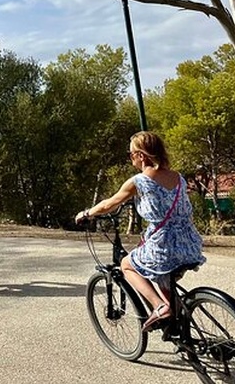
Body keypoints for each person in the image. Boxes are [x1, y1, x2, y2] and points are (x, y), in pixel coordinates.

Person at [75, 131, 205, 331]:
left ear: (141, 155)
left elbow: (108, 204)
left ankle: (160, 307)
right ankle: (180, 327)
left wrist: (87, 213)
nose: (130, 158)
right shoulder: (179, 178)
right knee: (163, 276)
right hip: (189, 242)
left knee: (127, 264)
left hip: (164, 245)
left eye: (131, 154)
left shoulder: (139, 181)